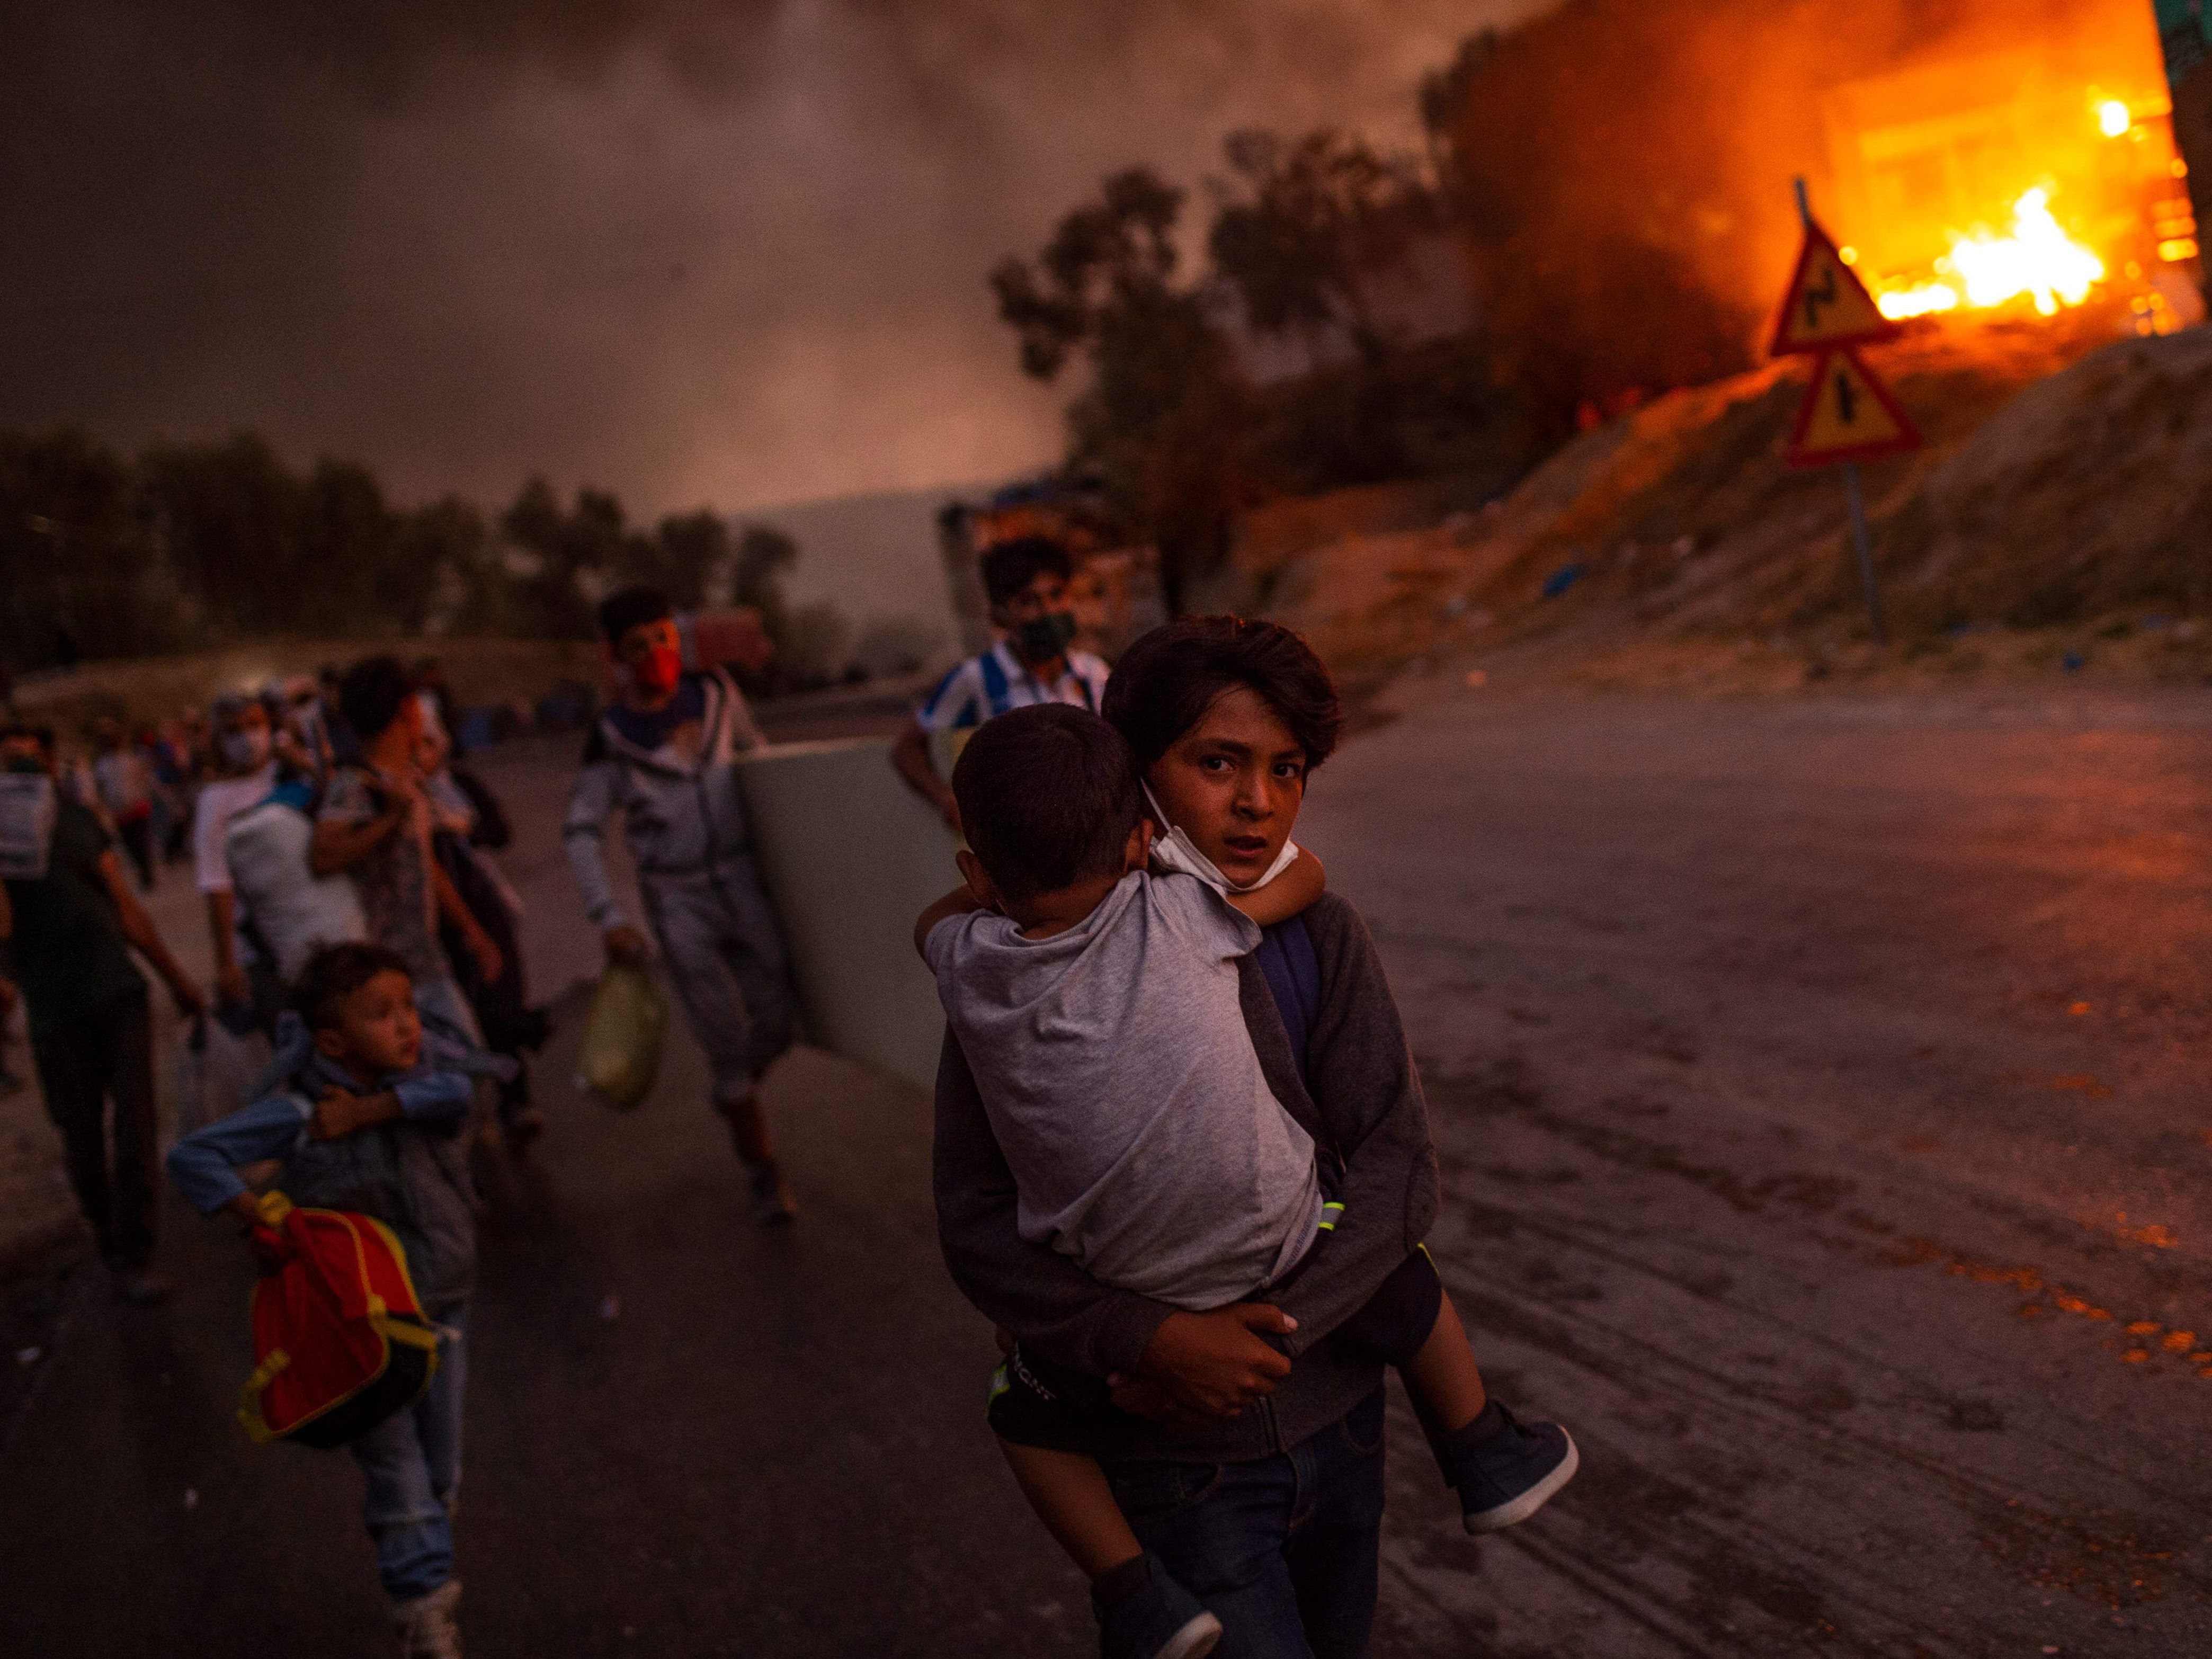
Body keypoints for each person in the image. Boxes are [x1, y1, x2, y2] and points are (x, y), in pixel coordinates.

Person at [933, 618, 1578, 1656]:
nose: (1258, 803)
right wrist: (1147, 1341)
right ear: (1133, 780)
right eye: (1217, 762)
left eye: (1288, 770)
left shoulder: (1319, 939)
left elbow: (1397, 1173)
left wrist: (1261, 1338)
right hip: (1169, 1465)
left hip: (1342, 1421)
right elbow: (975, 1223)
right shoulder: (1025, 989)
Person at [167, 942, 512, 1659]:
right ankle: (422, 1608)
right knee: (399, 1471)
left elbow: (458, 1094)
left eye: (409, 1007)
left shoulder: (429, 1082)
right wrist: (259, 1217)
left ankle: (418, 1558)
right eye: (381, 1014)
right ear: (331, 1042)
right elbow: (192, 1155)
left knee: (441, 1472)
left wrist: (370, 1112)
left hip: (443, 1301)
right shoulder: (301, 1111)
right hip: (362, 1325)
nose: (407, 1025)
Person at [564, 586, 799, 1220]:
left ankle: (733, 1087)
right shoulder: (612, 737)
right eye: (638, 645)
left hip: (742, 877)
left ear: (678, 636)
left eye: (663, 638)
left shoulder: (717, 693)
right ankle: (762, 1169)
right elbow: (581, 831)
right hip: (677, 895)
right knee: (719, 1031)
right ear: (618, 656)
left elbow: (759, 763)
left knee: (778, 1012)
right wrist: (608, 917)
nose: (655, 653)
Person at [1, 722, 206, 1303]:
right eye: (9, 765)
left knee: (135, 1128)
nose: (20, 774)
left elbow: (124, 908)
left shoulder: (77, 824)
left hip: (116, 991)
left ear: (50, 766)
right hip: (54, 1014)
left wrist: (176, 979)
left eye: (28, 762)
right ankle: (111, 1243)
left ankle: (136, 1254)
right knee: (82, 1140)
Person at [314, 658, 504, 1043]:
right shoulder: (356, 784)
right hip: (385, 974)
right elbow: (323, 856)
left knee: (466, 1062)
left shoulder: (405, 780)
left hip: (426, 961)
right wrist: (390, 819)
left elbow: (423, 862)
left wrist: (470, 929)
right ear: (407, 710)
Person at [890, 534, 1110, 831]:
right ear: (1000, 616)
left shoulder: (1093, 673)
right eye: (1028, 601)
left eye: (1056, 595)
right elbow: (907, 749)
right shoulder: (978, 679)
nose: (1047, 612)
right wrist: (947, 800)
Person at [194, 691, 282, 1030]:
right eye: (234, 730)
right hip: (262, 947)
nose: (247, 737)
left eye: (255, 725)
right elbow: (218, 884)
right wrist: (226, 963)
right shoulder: (215, 801)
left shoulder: (288, 775)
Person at [90, 717, 159, 891]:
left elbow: (144, 778)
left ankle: (147, 875)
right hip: (119, 812)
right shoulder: (102, 765)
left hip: (137, 808)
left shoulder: (130, 759)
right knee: (130, 845)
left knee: (141, 843)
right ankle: (144, 871)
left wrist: (142, 796)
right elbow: (100, 788)